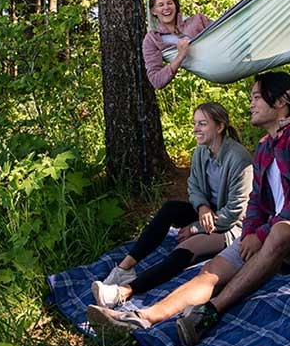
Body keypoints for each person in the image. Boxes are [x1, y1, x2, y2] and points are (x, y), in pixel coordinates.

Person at [87, 72, 290, 346]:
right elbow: (255, 203)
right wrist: (250, 232)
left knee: (280, 231)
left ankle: (209, 312)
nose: (249, 103)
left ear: (279, 102)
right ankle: (140, 318)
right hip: (268, 232)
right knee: (212, 271)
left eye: (255, 97)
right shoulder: (264, 147)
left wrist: (259, 234)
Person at [91, 102, 253, 309]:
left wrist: (196, 228)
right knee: (170, 209)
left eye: (202, 124)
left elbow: (235, 213)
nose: (196, 129)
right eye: (195, 123)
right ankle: (125, 268)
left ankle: (122, 292)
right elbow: (193, 187)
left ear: (219, 127)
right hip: (209, 213)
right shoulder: (201, 152)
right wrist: (202, 207)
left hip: (233, 227)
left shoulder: (238, 159)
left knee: (186, 248)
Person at [143, 0, 212, 89]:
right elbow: (156, 81)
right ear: (153, 11)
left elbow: (224, 33)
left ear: (175, 6)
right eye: (161, 5)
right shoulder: (153, 39)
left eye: (169, 3)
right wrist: (180, 56)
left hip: (227, 60)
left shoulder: (198, 21)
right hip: (203, 79)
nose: (166, 7)